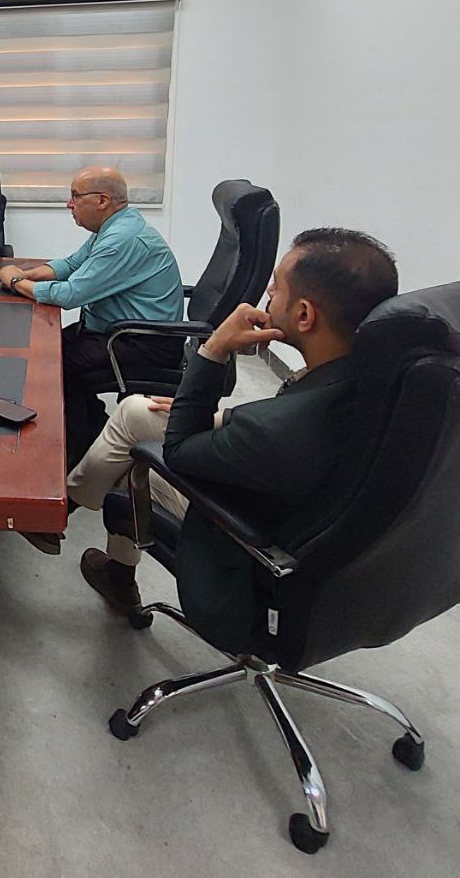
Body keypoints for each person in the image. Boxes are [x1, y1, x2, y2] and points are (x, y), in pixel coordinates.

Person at [70, 228, 398, 653]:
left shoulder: (276, 431)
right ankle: (84, 518)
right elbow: (278, 421)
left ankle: (75, 515)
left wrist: (214, 350)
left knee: (133, 461)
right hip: (327, 540)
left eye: (276, 286)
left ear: (304, 315)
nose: (267, 294)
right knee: (138, 411)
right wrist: (218, 415)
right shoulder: (381, 379)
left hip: (253, 555)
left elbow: (179, 452)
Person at [0, 166, 183, 553]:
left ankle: (63, 483)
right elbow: (70, 264)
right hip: (114, 332)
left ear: (102, 201)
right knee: (45, 354)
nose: (69, 204)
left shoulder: (122, 240)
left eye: (75, 196)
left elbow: (69, 294)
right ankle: (95, 440)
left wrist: (15, 281)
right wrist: (27, 274)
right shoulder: (112, 228)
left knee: (51, 371)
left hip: (139, 342)